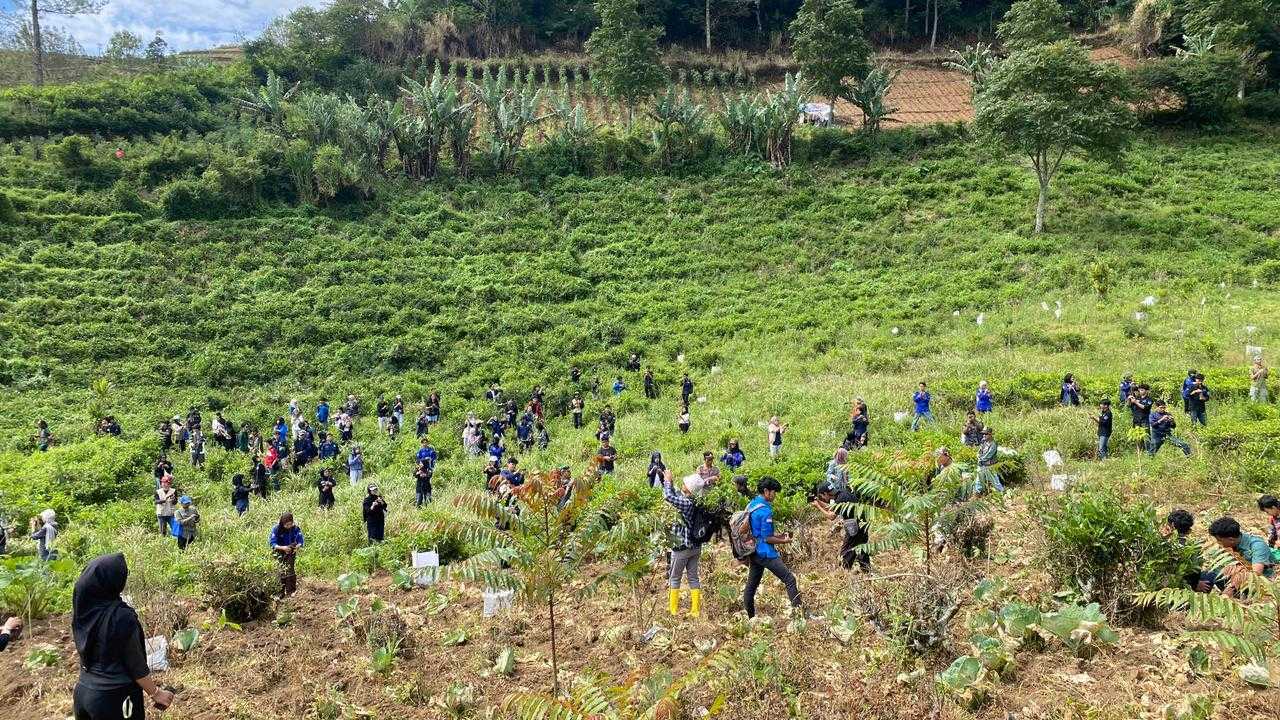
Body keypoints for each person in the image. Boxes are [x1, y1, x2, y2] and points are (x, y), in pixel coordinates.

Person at [71, 554, 176, 720]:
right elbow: (134, 662)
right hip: (115, 699)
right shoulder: (121, 616)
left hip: (83, 693)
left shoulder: (84, 608)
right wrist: (156, 693)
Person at [743, 477, 802, 619]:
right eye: (774, 492)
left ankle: (750, 617)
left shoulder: (752, 504)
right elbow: (767, 538)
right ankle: (799, 616)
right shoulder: (765, 511)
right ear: (766, 491)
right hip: (765, 553)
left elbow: (761, 533)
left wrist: (780, 536)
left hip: (753, 551)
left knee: (751, 586)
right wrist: (785, 541)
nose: (775, 495)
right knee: (789, 579)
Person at [663, 470, 706, 617]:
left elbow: (669, 496)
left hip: (682, 547)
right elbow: (676, 495)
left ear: (688, 488)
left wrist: (668, 481)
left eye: (685, 484)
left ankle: (673, 611)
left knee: (675, 578)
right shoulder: (696, 502)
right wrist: (671, 482)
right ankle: (695, 611)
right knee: (693, 577)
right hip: (695, 547)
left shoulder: (686, 503)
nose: (683, 484)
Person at [1206, 517, 1275, 597]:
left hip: (1262, 583)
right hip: (1239, 579)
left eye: (1220, 540)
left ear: (1231, 539)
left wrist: (1230, 589)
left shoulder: (1257, 545)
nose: (1218, 543)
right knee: (1211, 574)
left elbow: (1255, 574)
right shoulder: (1230, 545)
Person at [813, 481, 870, 573]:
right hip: (863, 525)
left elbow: (831, 516)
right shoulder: (843, 494)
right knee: (862, 549)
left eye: (821, 496)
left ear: (825, 493)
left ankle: (843, 574)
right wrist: (818, 502)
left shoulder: (840, 499)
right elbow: (833, 508)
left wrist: (818, 507)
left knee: (846, 552)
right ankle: (866, 572)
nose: (822, 498)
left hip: (855, 527)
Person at [1162, 509, 1209, 592]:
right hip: (1182, 585)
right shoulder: (1191, 548)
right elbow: (1195, 571)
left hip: (1164, 583)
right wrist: (1195, 585)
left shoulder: (1160, 543)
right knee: (1210, 576)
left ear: (1170, 526)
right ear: (1189, 531)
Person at [269, 513, 303, 597]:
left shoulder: (295, 529)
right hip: (279, 551)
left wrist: (297, 547)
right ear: (282, 523)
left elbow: (300, 541)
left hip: (291, 550)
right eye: (287, 525)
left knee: (290, 569)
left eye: (290, 524)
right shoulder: (276, 529)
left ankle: (291, 591)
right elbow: (272, 543)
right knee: (281, 570)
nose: (289, 526)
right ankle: (280, 592)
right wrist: (283, 548)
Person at [975, 428, 1005, 494]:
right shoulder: (984, 442)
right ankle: (977, 493)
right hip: (982, 465)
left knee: (995, 481)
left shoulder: (993, 444)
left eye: (986, 434)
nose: (984, 435)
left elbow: (988, 456)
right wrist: (978, 456)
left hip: (990, 466)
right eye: (983, 434)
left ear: (990, 435)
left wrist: (980, 459)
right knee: (978, 480)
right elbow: (979, 451)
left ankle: (1001, 492)